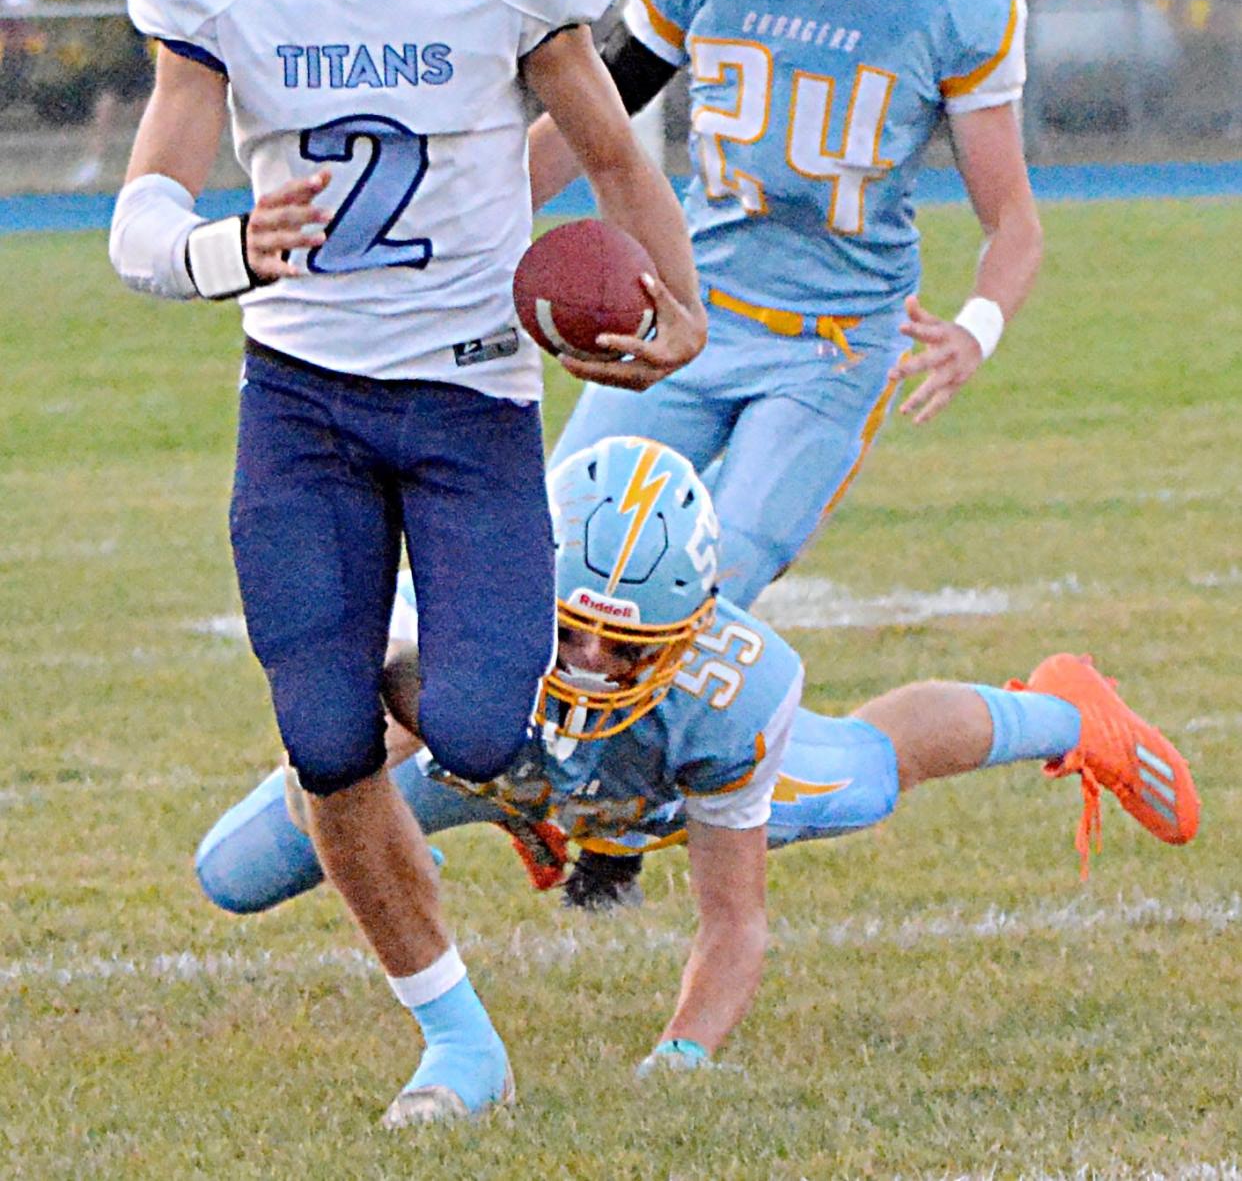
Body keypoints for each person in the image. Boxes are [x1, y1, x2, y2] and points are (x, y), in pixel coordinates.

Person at [107, 0, 705, 1127]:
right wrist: (223, 245)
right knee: (323, 738)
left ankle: (345, 662)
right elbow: (137, 218)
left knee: (489, 733)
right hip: (302, 393)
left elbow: (617, 152)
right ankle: (456, 1041)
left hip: (469, 396)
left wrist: (678, 308)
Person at [195, 437, 1200, 1079]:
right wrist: (396, 834)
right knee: (232, 872)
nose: (591, 664)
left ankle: (1065, 713)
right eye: (574, 630)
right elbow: (339, 781)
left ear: (689, 631)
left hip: (655, 792)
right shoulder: (446, 626)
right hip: (491, 749)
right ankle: (530, 808)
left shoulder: (729, 694)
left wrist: (681, 1054)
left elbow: (735, 922)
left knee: (866, 773)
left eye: (625, 646)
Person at [528, 0, 1044, 610]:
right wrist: (463, 219)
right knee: (548, 551)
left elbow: (1014, 220)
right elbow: (593, 126)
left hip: (831, 349)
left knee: (707, 594)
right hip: (685, 311)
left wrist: (978, 327)